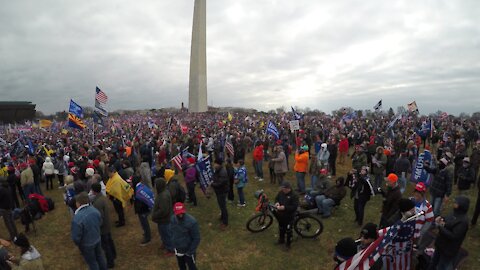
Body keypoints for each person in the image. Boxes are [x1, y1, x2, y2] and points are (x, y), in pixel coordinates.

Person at [428, 196, 470, 270]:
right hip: (440, 244)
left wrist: (440, 227)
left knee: (442, 266)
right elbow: (448, 219)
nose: (454, 204)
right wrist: (441, 218)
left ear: (461, 205)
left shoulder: (463, 222)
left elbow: (453, 236)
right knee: (433, 262)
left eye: (456, 203)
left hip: (448, 249)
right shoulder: (455, 212)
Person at [71, 192, 107, 270]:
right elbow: (100, 222)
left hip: (86, 244)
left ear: (79, 203)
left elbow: (75, 237)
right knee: (100, 257)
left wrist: (79, 244)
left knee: (92, 262)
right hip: (97, 238)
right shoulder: (94, 210)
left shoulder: (77, 218)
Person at [91, 182, 116, 268]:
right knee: (110, 241)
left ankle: (110, 262)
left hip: (103, 228)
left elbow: (100, 218)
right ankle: (114, 255)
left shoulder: (97, 203)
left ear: (94, 191)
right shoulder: (103, 198)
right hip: (107, 224)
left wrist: (97, 227)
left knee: (106, 245)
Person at [170, 202, 200, 270]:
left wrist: (190, 252)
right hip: (178, 250)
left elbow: (196, 238)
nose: (180, 215)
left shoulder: (192, 222)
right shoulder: (172, 219)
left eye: (181, 213)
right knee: (181, 267)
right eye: (178, 213)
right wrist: (173, 243)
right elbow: (171, 231)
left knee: (192, 267)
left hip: (188, 251)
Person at [151, 178, 174, 256]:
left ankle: (171, 249)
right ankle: (165, 244)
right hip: (162, 220)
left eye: (156, 185)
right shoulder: (162, 193)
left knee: (167, 234)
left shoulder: (163, 196)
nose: (155, 186)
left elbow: (163, 211)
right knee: (162, 233)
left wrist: (154, 215)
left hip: (165, 220)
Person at [273, 181, 299, 250]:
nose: (283, 190)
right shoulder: (281, 192)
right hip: (281, 214)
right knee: (281, 227)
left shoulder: (294, 195)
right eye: (282, 188)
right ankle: (281, 240)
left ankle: (288, 244)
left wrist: (284, 207)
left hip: (289, 216)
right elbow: (276, 198)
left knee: (288, 230)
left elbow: (294, 207)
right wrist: (277, 203)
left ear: (288, 188)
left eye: (284, 189)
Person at [211, 158, 229, 229]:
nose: (214, 165)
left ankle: (225, 222)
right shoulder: (218, 170)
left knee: (223, 206)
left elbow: (220, 183)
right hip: (219, 191)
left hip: (222, 191)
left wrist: (212, 184)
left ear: (218, 164)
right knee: (221, 205)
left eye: (215, 163)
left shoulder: (223, 172)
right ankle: (222, 216)